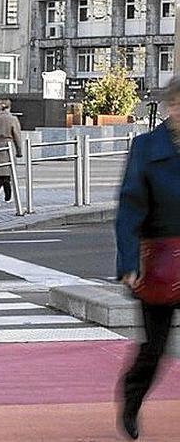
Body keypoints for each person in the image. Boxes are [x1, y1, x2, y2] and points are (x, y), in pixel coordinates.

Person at [115, 76, 180, 440]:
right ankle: (132, 402)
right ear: (171, 107)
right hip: (159, 261)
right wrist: (129, 262)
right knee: (155, 347)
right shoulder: (146, 147)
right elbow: (129, 208)